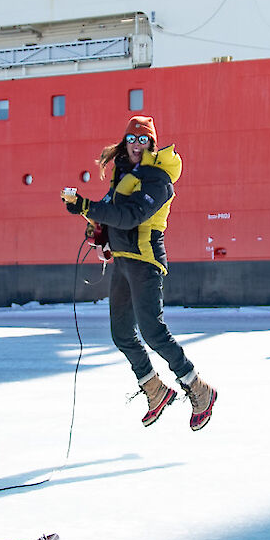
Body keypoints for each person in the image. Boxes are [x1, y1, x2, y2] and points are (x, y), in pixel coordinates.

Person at [63, 115, 218, 430]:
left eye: (142, 139)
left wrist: (86, 207)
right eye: (131, 139)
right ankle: (154, 388)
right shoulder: (124, 175)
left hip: (145, 262)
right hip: (123, 261)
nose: (136, 145)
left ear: (151, 143)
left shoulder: (158, 178)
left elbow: (131, 215)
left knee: (152, 332)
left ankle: (199, 388)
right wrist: (96, 230)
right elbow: (109, 212)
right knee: (121, 333)